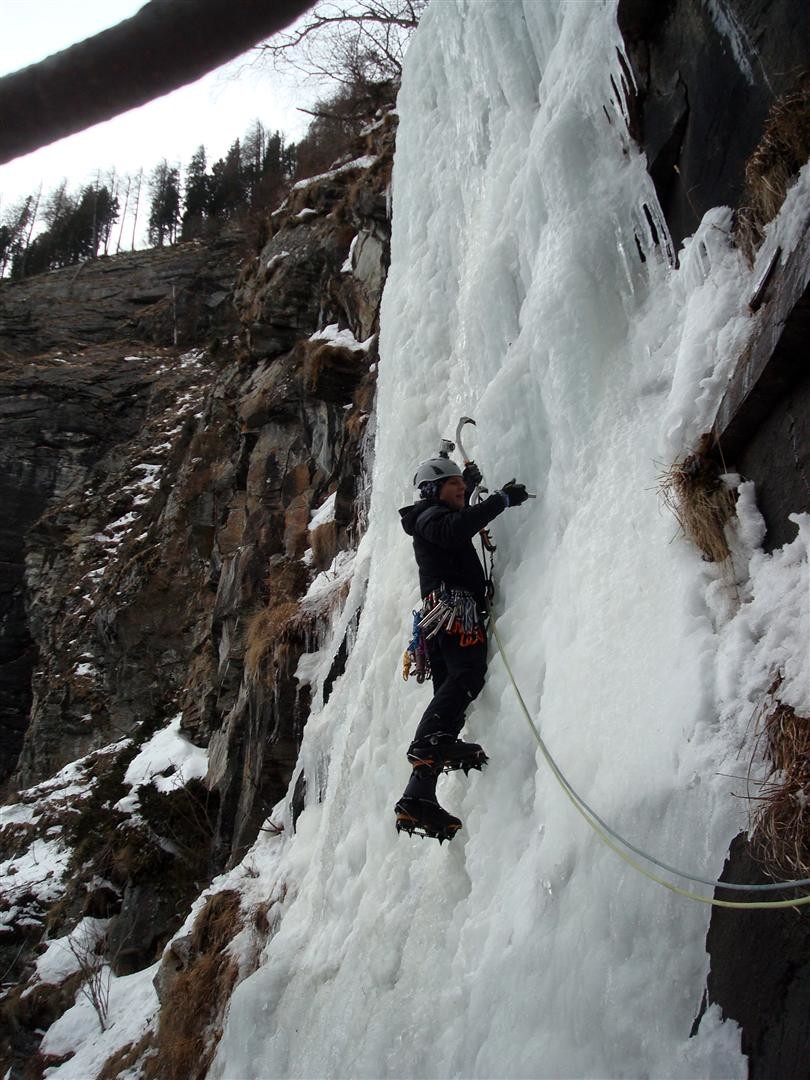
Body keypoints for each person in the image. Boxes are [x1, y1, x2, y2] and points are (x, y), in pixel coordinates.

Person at [395, 448, 529, 842]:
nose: (458, 489)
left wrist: (468, 485)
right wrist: (500, 501)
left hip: (442, 618)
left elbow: (456, 519)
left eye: (458, 483)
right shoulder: (428, 517)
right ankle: (426, 751)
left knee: (450, 696)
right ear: (432, 490)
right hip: (454, 611)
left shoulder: (431, 515)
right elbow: (454, 528)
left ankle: (420, 793)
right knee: (466, 677)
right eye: (451, 483)